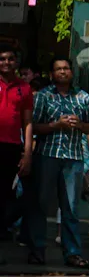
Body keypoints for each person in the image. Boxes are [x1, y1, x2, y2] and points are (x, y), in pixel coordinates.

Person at [26, 58, 89, 267]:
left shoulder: (82, 97)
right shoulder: (43, 96)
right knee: (40, 205)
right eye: (58, 69)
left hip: (73, 158)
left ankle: (73, 252)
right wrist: (56, 125)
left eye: (66, 68)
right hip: (48, 155)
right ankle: (37, 250)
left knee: (71, 208)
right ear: (52, 74)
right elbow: (34, 127)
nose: (63, 72)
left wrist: (80, 124)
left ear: (72, 73)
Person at [0, 44, 33, 244]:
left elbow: (27, 122)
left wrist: (27, 153)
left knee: (4, 196)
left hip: (11, 147)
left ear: (16, 62)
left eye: (10, 59)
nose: (6, 62)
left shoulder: (24, 88)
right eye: (2, 59)